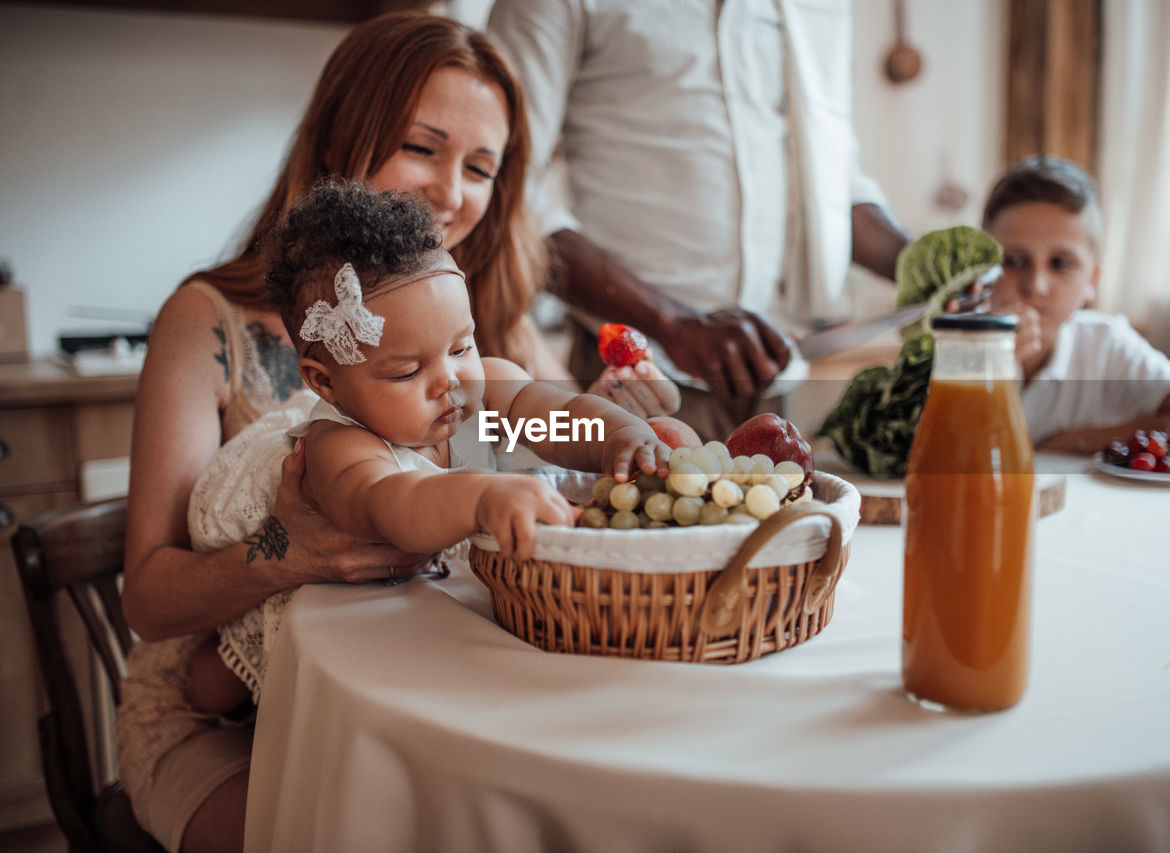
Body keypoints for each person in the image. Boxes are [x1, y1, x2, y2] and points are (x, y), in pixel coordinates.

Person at [116, 13, 671, 853]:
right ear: (346, 133)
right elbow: (150, 597)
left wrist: (620, 428)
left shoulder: (463, 323)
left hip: (407, 673)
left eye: (480, 166)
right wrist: (288, 551)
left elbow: (537, 417)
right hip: (216, 710)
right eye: (422, 146)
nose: (452, 192)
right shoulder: (212, 323)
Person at [182, 180, 668, 714]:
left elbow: (561, 419)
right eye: (408, 370)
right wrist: (481, 497)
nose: (450, 380)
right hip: (323, 614)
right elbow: (397, 504)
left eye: (461, 345)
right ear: (325, 383)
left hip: (435, 615)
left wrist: (618, 435)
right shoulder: (339, 444)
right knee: (224, 688)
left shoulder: (486, 388)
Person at [486, 0, 911, 440]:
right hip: (636, 381)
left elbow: (832, 186)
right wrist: (671, 324)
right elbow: (504, 188)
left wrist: (937, 271)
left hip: (775, 377)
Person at [982, 156, 1170, 451]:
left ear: (1091, 280)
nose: (1035, 286)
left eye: (1060, 264)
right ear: (981, 268)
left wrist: (1061, 443)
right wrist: (982, 364)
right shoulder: (940, 346)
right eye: (1013, 261)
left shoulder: (1106, 345)